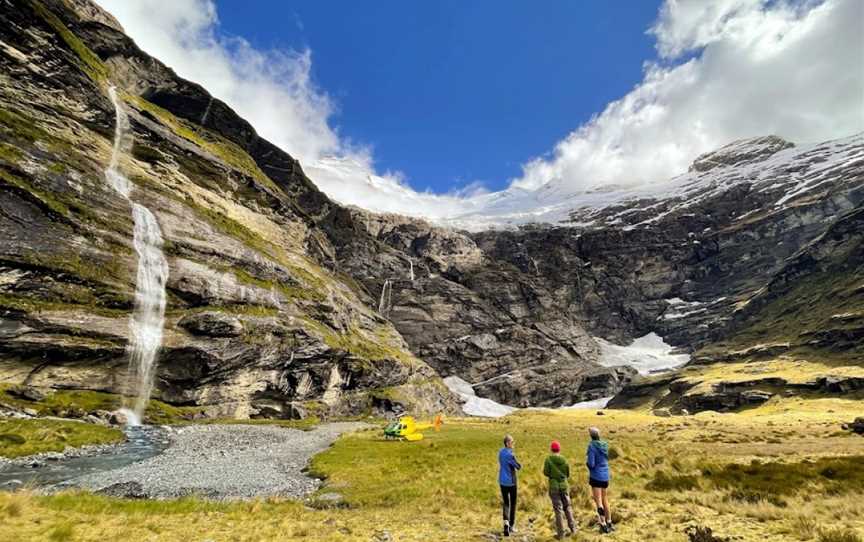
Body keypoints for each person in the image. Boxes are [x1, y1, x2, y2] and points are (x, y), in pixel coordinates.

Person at [543, 440, 577, 540]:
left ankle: (561, 534)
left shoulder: (548, 460)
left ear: (551, 449)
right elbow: (567, 473)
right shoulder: (565, 460)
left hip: (554, 487)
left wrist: (553, 475)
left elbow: (545, 472)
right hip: (564, 486)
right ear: (559, 449)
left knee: (558, 510)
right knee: (567, 507)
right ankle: (573, 529)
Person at [586, 426, 613, 533]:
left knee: (598, 501)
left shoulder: (592, 446)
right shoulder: (605, 445)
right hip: (605, 476)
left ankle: (603, 524)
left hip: (596, 476)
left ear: (591, 436)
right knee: (605, 499)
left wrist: (587, 464)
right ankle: (609, 521)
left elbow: (591, 463)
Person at [498, 434, 522, 536]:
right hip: (511, 482)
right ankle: (511, 526)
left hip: (502, 481)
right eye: (512, 442)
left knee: (506, 503)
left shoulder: (500, 452)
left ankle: (506, 524)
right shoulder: (510, 455)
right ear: (507, 443)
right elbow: (517, 466)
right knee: (513, 503)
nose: (513, 444)